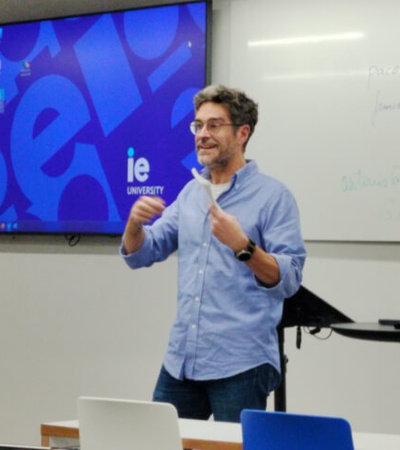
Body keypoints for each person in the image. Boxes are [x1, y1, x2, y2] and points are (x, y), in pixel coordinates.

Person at [120, 84, 306, 423]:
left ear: (242, 133)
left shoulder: (274, 197)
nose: (202, 134)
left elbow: (290, 278)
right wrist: (134, 223)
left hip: (241, 363)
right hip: (183, 359)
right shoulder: (192, 193)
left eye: (214, 125)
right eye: (198, 125)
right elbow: (143, 252)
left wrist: (243, 247)